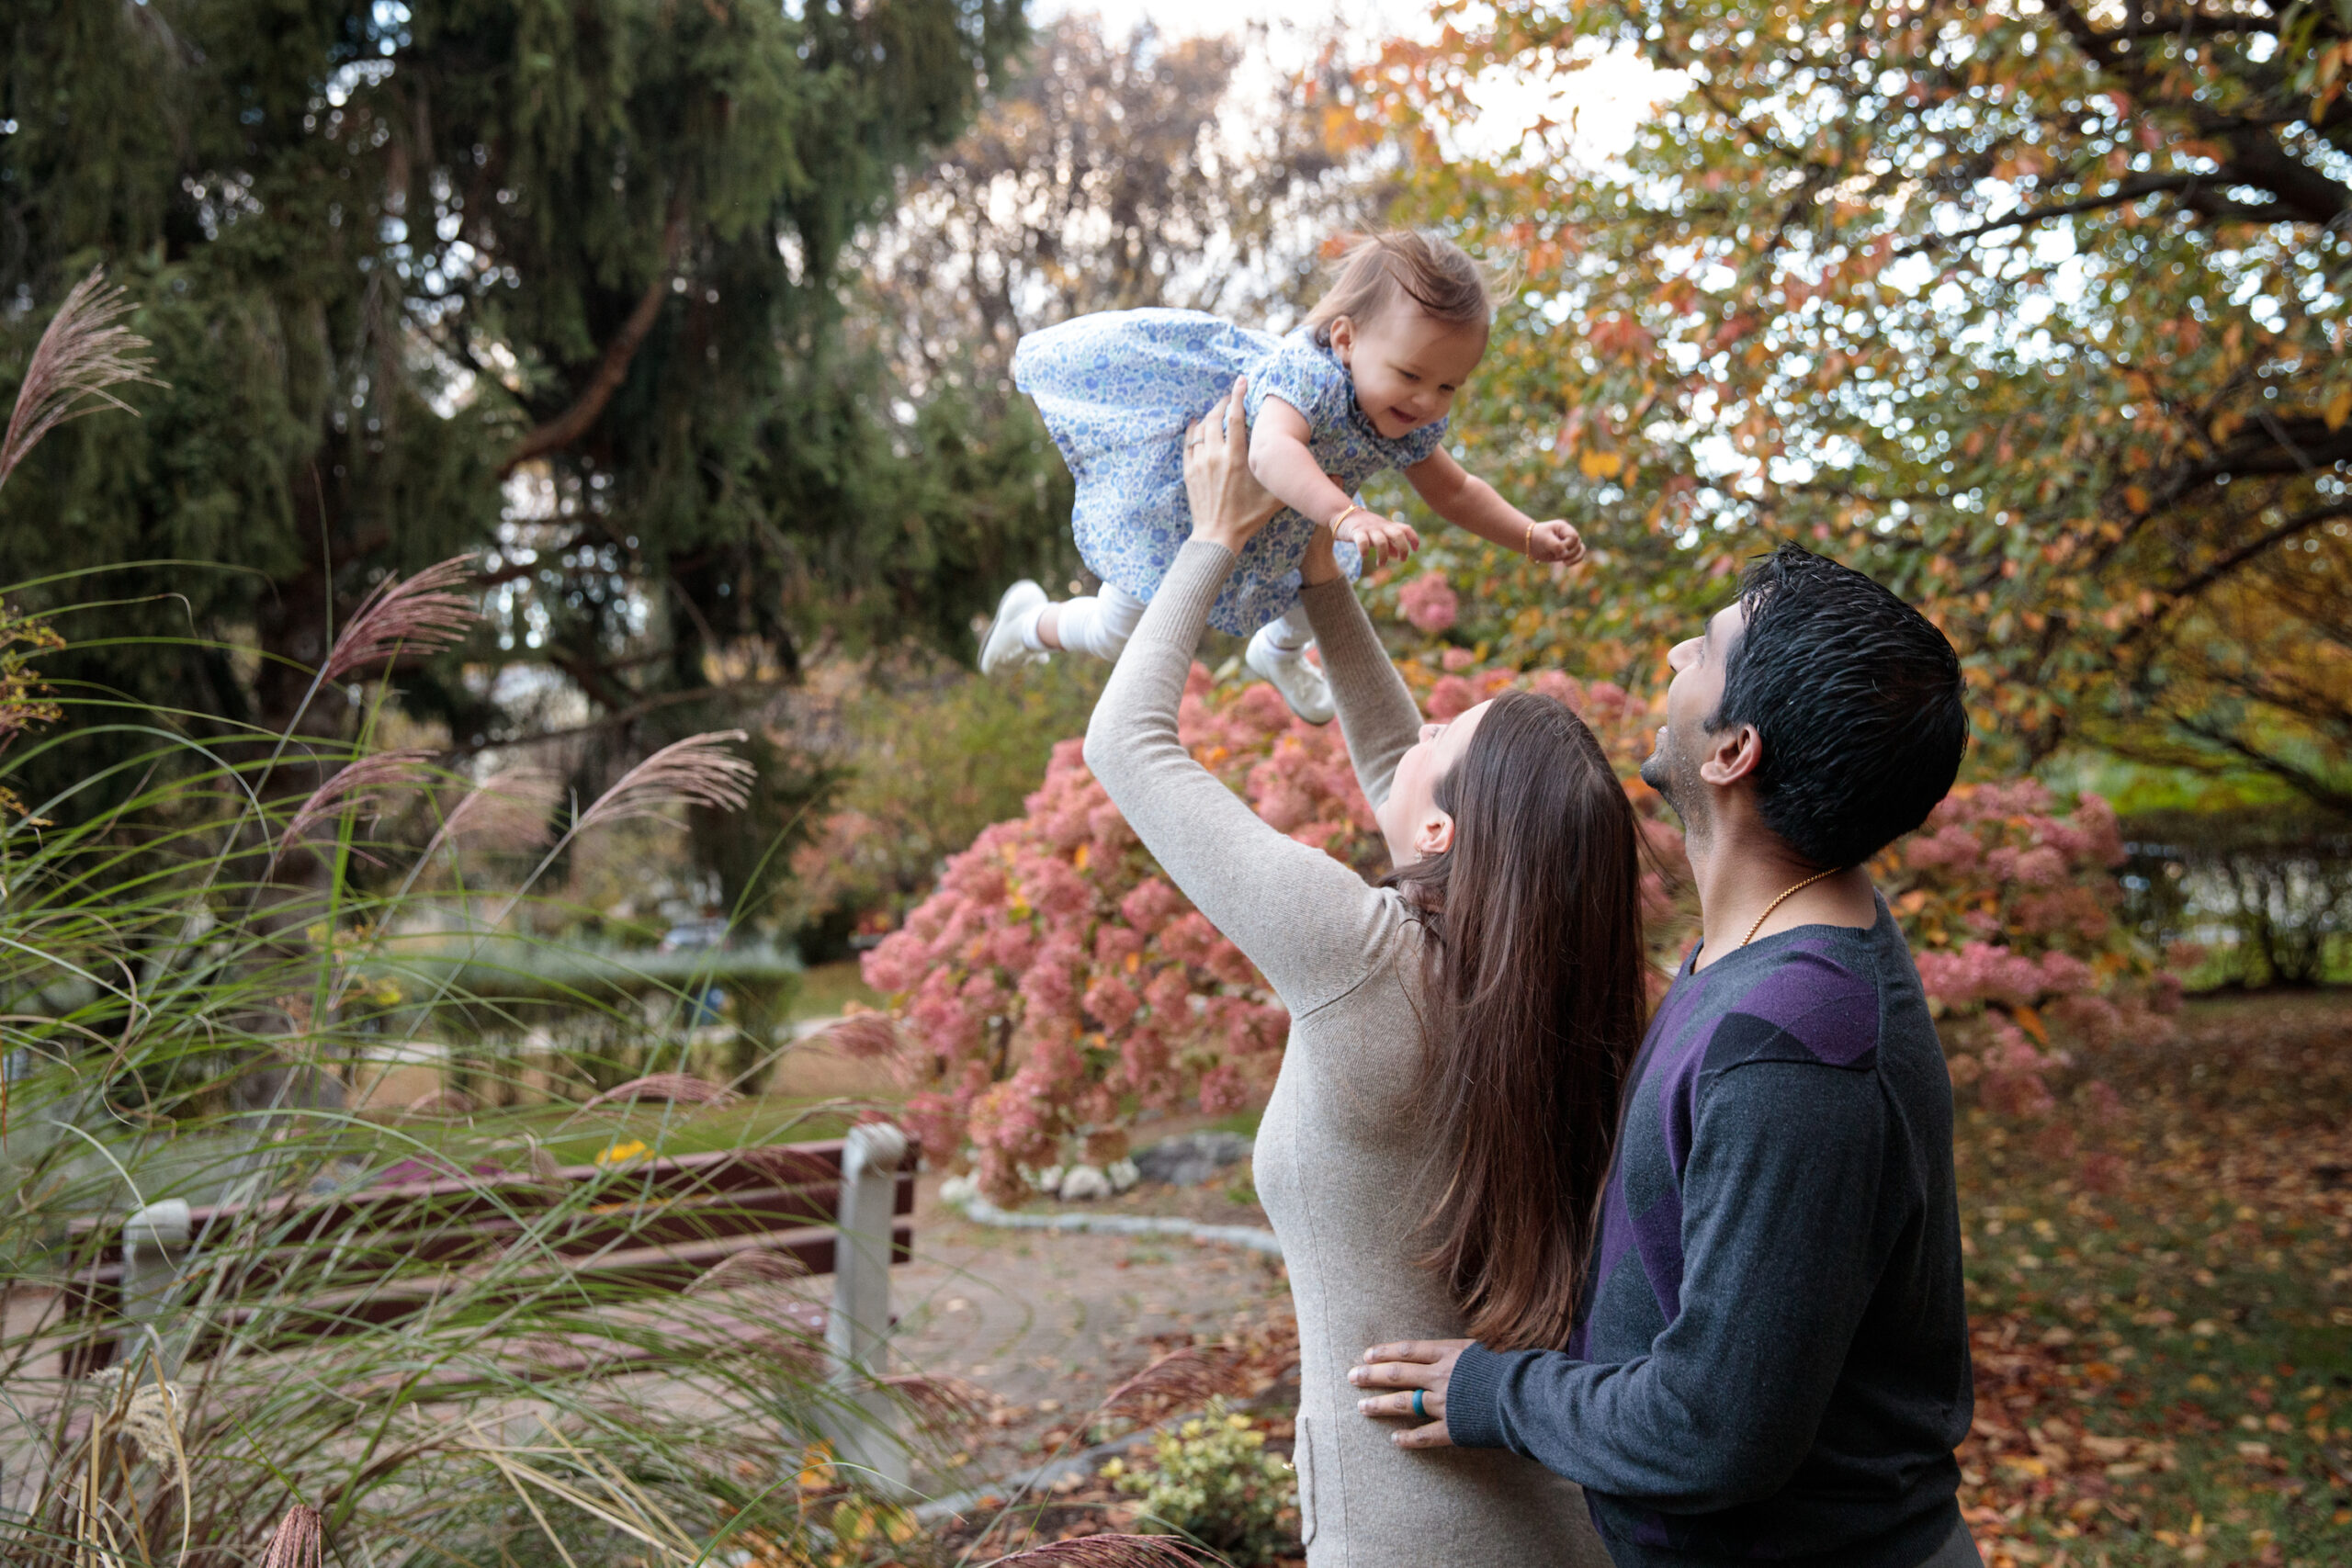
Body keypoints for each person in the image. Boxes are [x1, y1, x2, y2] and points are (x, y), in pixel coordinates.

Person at [1082, 378, 1642, 1563]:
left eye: (1447, 734)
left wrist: (1213, 539)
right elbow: (1402, 768)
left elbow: (1123, 743)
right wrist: (1322, 571)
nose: (1419, 731)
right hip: (1564, 1528)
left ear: (1446, 837)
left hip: (1411, 1540)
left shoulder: (1364, 956)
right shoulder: (1555, 993)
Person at [1348, 545, 1983, 1568]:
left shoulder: (1793, 1049)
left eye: (1709, 647)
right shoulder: (1759, 953)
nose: (1678, 649)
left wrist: (1492, 1392)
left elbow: (1710, 1432)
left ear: (1732, 751)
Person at [982, 230, 1585, 724]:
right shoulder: (1308, 374)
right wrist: (1346, 514)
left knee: (1321, 585)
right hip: (1182, 522)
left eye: (1449, 385)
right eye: (1411, 374)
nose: (1428, 400)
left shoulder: (1406, 419)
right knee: (1119, 636)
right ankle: (1031, 625)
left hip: (1290, 537)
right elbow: (1272, 453)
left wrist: (1527, 534)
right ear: (1346, 339)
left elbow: (1455, 491)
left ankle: (1277, 652)